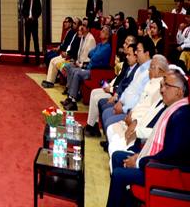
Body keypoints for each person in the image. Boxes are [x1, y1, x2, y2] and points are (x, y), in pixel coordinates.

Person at [106, 70, 190, 207]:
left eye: (167, 86)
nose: (162, 90)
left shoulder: (182, 116)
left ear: (179, 92)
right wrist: (140, 156)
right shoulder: (174, 109)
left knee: (119, 174)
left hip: (165, 173)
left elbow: (171, 155)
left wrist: (139, 162)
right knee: (117, 156)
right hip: (157, 163)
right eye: (162, 85)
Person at [61, 25, 112, 111]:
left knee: (77, 73)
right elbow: (90, 53)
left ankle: (73, 101)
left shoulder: (107, 47)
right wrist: (94, 55)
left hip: (96, 71)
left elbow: (94, 57)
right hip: (89, 67)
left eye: (103, 31)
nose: (100, 32)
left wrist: (94, 55)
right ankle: (70, 97)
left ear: (107, 36)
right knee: (71, 69)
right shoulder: (99, 45)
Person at [20, 0, 42, 64]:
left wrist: (34, 17)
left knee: (35, 40)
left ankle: (37, 59)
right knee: (27, 40)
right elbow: (23, 10)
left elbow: (39, 10)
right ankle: (26, 58)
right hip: (27, 22)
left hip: (34, 22)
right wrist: (25, 17)